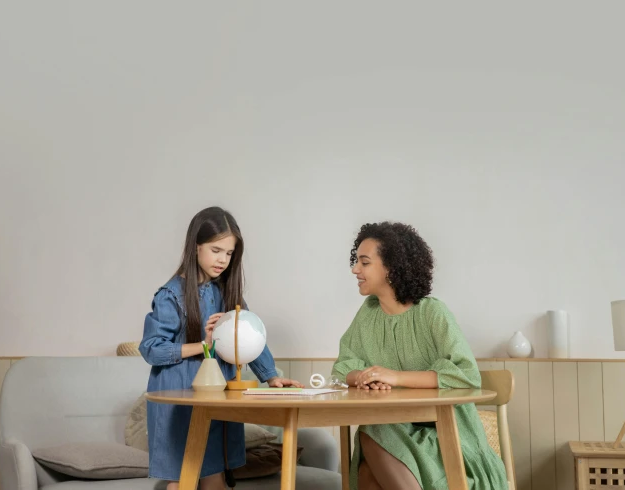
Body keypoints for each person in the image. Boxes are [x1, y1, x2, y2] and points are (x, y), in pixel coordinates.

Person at [332, 221, 507, 490]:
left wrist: (394, 376)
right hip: (394, 431)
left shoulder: (432, 312)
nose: (355, 269)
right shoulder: (367, 314)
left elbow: (465, 373)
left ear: (390, 267)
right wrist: (365, 377)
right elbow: (344, 367)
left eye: (364, 262)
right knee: (371, 444)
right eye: (356, 261)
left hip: (446, 436)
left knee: (371, 449)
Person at [139, 206, 302, 490]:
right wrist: (204, 346)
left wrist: (272, 377)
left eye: (229, 253)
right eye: (216, 250)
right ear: (196, 246)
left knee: (214, 479)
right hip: (180, 400)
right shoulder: (171, 295)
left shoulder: (226, 292)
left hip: (218, 398)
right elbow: (151, 349)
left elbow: (248, 335)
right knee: (182, 482)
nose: (223, 260)